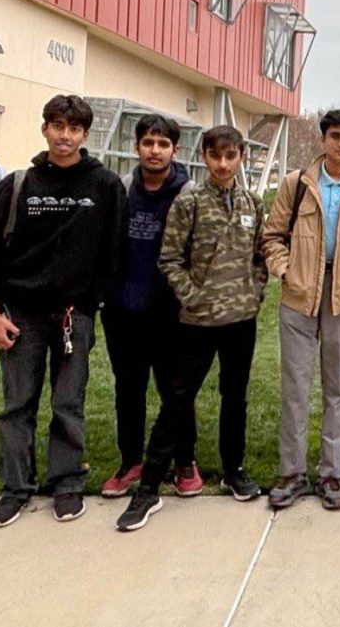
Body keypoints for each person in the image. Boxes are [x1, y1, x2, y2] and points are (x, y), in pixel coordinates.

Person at [0, 95, 124, 528]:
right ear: (45, 129)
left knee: (67, 401)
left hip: (74, 315)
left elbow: (112, 255)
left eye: (74, 129)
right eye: (57, 126)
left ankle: (66, 483)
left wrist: (91, 304)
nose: (65, 135)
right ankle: (16, 488)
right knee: (17, 403)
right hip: (20, 312)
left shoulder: (105, 186)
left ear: (84, 135)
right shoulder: (20, 184)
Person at [116, 125, 268, 531]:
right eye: (215, 156)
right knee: (178, 400)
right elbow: (169, 260)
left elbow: (260, 256)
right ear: (204, 157)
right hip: (197, 321)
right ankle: (148, 487)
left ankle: (234, 469)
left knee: (235, 397)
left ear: (240, 158)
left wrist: (254, 293)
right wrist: (193, 297)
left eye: (230, 156)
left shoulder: (253, 202)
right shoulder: (191, 201)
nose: (222, 164)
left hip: (241, 320)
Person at [260, 109, 340, 511]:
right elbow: (272, 236)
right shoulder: (296, 184)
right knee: (296, 388)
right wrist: (286, 270)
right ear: (323, 139)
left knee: (337, 388)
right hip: (300, 295)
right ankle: (292, 472)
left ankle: (331, 473)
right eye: (335, 135)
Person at [99, 115, 191, 498]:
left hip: (171, 312)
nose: (155, 151)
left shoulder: (188, 195)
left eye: (163, 144)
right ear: (136, 147)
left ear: (175, 149)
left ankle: (185, 461)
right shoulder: (120, 190)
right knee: (129, 389)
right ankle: (131, 460)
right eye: (148, 143)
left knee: (176, 391)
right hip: (124, 310)